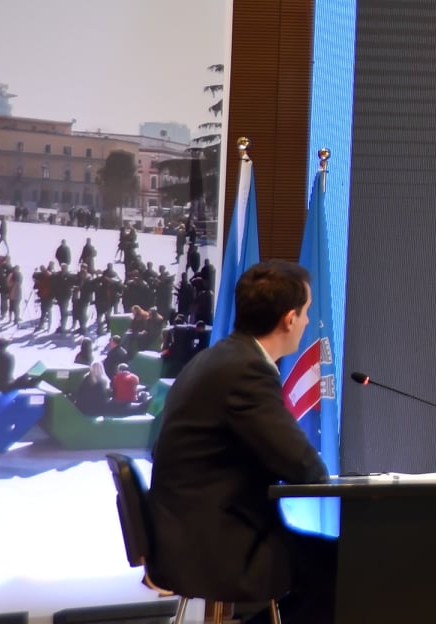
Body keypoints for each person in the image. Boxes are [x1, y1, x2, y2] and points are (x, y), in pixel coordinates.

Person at [149, 259, 334, 622]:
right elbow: (305, 467)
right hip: (217, 548)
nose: (308, 321)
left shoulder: (215, 358)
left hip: (182, 540)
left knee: (321, 566)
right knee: (349, 568)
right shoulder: (247, 370)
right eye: (307, 312)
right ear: (289, 319)